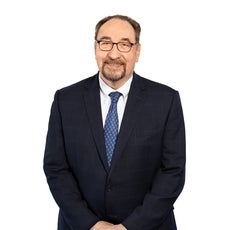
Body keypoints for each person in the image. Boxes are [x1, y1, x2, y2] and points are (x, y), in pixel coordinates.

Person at [43, 14, 186, 230]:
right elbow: (56, 168)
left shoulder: (166, 100)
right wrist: (91, 224)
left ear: (137, 51)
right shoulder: (65, 100)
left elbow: (172, 171)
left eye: (124, 44)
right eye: (106, 42)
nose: (113, 53)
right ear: (95, 48)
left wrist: (130, 226)